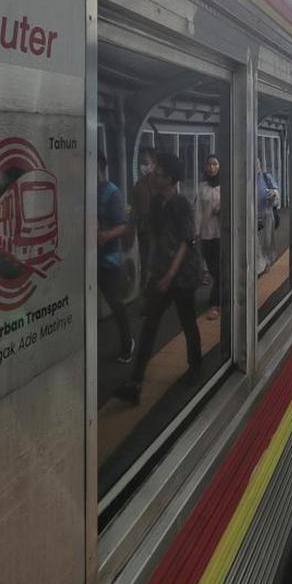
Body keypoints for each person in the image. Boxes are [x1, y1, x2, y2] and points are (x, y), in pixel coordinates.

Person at [115, 152, 202, 405]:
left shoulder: (182, 204)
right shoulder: (155, 203)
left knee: (188, 322)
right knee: (150, 325)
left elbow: (186, 243)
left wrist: (170, 276)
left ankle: (195, 366)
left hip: (182, 276)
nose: (155, 175)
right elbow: (153, 237)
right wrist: (151, 271)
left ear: (171, 179)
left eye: (161, 173)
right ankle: (135, 382)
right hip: (162, 273)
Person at [96, 154, 135, 363]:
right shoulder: (84, 190)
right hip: (89, 261)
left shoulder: (113, 193)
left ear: (99, 167)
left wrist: (104, 235)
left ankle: (127, 343)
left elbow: (123, 225)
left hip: (110, 261)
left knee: (116, 304)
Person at [196, 155, 223, 320]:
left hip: (221, 233)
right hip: (206, 234)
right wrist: (196, 232)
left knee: (219, 270)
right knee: (213, 268)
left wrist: (223, 210)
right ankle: (219, 296)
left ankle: (214, 303)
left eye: (215, 163)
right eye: (209, 164)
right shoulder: (202, 187)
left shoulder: (225, 186)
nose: (212, 167)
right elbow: (197, 210)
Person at [131, 148, 161, 287]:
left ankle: (155, 287)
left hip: (157, 229)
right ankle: (145, 288)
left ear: (154, 164)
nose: (143, 165)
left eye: (146, 162)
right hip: (143, 229)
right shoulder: (139, 184)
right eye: (142, 162)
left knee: (154, 260)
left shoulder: (160, 183)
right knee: (144, 259)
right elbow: (135, 206)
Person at [256, 161, 279, 274]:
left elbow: (276, 191)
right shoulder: (245, 178)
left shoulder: (266, 177)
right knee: (255, 242)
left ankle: (267, 263)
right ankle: (259, 266)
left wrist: (274, 194)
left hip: (267, 214)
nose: (255, 166)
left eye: (257, 164)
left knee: (267, 240)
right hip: (252, 215)